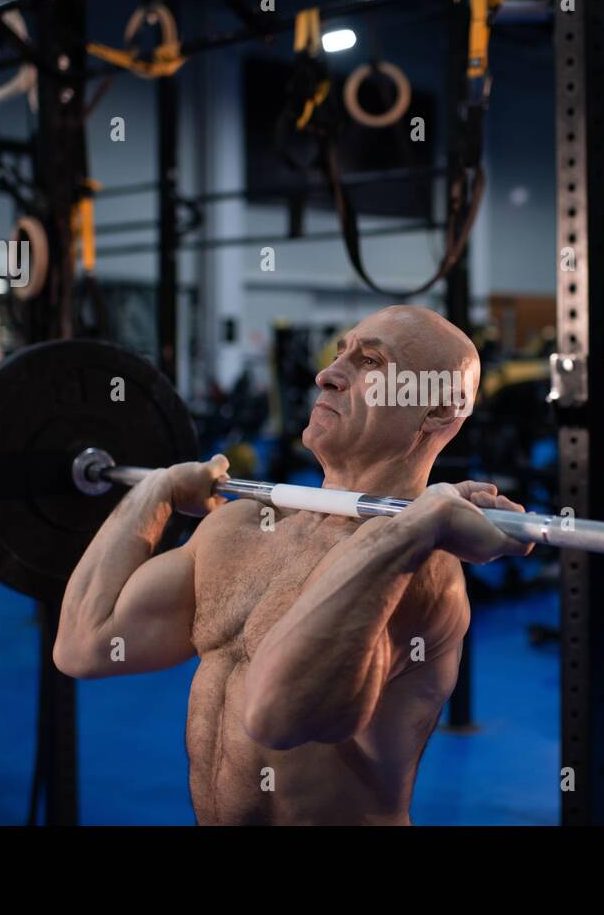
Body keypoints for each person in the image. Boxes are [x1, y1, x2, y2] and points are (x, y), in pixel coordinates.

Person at [54, 305, 533, 824]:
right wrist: (156, 492)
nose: (326, 374)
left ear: (438, 411)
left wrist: (414, 531)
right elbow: (85, 644)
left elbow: (278, 714)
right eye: (340, 353)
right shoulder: (238, 528)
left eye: (371, 361)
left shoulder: (420, 574)